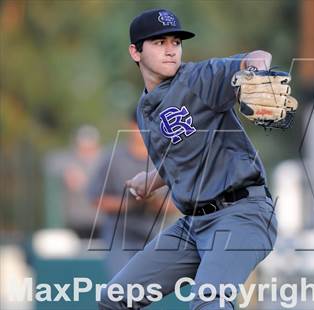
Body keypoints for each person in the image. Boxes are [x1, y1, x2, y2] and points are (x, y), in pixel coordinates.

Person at [98, 8, 279, 310]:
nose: (171, 50)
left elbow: (257, 56)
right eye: (159, 42)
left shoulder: (199, 79)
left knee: (209, 302)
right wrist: (151, 180)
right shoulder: (145, 109)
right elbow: (180, 156)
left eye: (175, 42)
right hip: (193, 225)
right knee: (114, 299)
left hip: (241, 214)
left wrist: (257, 73)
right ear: (135, 51)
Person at [88, 111, 177, 279]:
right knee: (121, 287)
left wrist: (152, 201)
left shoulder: (167, 157)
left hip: (155, 233)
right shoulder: (113, 157)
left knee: (148, 290)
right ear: (131, 125)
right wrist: (130, 203)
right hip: (119, 234)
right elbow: (95, 199)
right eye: (140, 125)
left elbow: (178, 204)